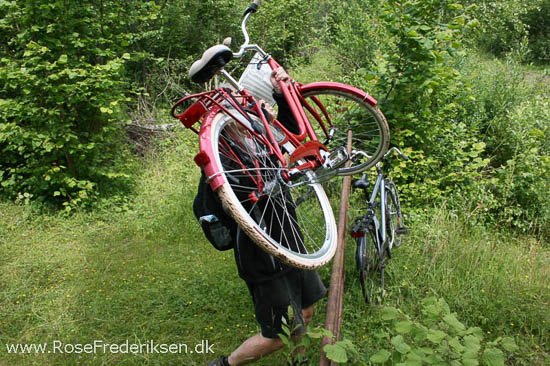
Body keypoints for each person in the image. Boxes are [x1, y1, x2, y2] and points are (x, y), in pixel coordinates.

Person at [207, 68, 327, 366]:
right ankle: (226, 364)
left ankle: (297, 360)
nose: (246, 109)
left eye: (245, 103)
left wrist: (279, 94)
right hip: (263, 253)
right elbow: (226, 201)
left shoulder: (259, 137)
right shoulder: (220, 156)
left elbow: (289, 135)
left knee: (307, 309)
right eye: (236, 105)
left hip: (292, 238)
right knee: (276, 333)